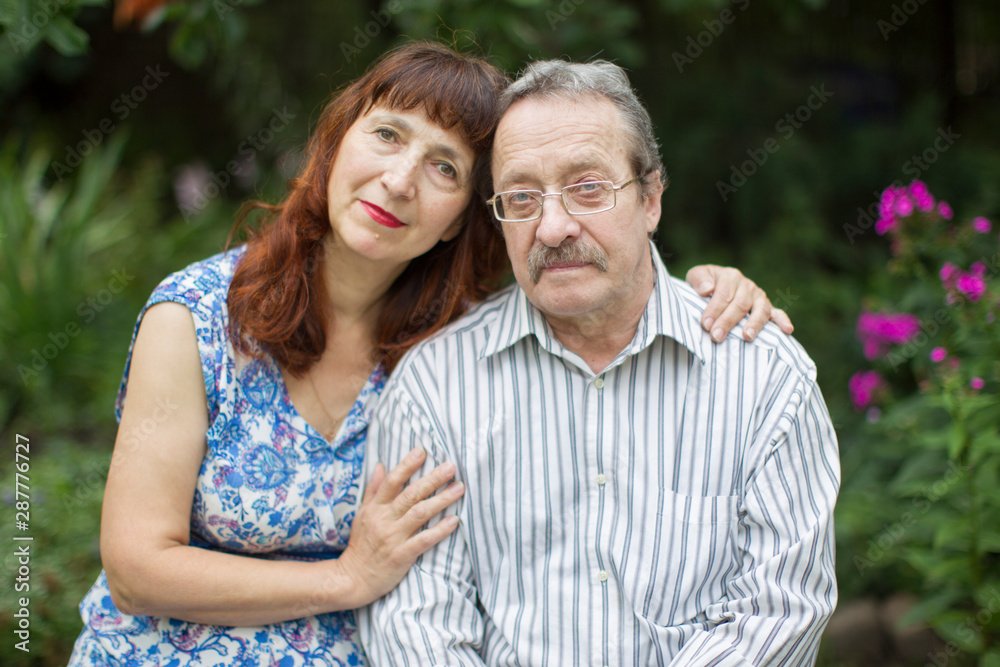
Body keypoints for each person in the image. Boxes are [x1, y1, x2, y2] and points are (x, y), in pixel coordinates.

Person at [69, 43, 792, 666]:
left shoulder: (452, 355)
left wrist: (706, 292)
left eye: (444, 167)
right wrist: (346, 579)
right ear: (336, 145)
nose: (400, 179)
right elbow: (135, 568)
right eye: (387, 134)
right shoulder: (198, 317)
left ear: (460, 220)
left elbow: (601, 286)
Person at [361, 58, 839, 666]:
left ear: (650, 198)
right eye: (522, 197)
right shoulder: (435, 388)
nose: (553, 227)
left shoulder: (763, 376)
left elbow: (781, 611)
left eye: (587, 187)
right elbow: (416, 626)